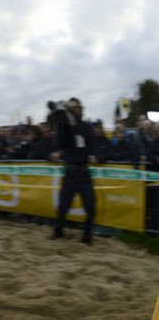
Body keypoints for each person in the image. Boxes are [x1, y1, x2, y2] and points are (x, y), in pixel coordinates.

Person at [49, 97, 98, 245]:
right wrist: (64, 124)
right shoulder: (64, 127)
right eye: (73, 107)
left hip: (83, 173)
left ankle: (87, 237)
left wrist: (95, 156)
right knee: (63, 206)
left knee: (91, 207)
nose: (76, 109)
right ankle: (58, 232)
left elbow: (93, 145)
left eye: (78, 107)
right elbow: (60, 143)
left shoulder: (86, 127)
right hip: (70, 173)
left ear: (81, 109)